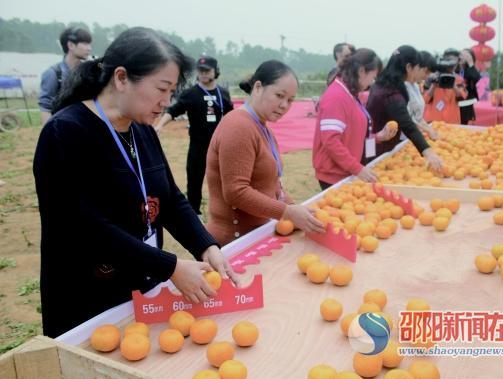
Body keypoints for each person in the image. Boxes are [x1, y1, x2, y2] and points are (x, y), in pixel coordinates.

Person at [33, 28, 238, 338]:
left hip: (140, 281)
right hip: (88, 293)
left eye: (172, 92)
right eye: (162, 89)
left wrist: (205, 245)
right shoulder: (66, 133)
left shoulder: (142, 131)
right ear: (121, 78)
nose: (167, 102)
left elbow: (170, 198)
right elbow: (84, 227)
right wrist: (169, 267)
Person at [206, 60, 325, 246]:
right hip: (233, 243)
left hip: (256, 235)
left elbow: (273, 183)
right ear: (258, 87)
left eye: (290, 100)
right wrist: (286, 212)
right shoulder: (238, 126)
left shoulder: (262, 128)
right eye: (279, 95)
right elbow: (236, 192)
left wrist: (294, 208)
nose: (284, 105)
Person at [154, 56, 233, 215]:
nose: (203, 74)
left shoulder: (223, 93)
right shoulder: (191, 93)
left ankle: (224, 213)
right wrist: (160, 125)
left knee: (223, 181)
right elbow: (173, 110)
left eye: (207, 70)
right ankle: (194, 214)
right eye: (200, 70)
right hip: (198, 146)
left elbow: (232, 117)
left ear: (215, 71)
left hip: (220, 147)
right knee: (194, 183)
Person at [313, 48, 397, 190]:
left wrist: (377, 137)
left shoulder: (351, 94)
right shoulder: (336, 97)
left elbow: (353, 133)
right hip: (334, 174)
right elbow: (331, 141)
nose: (372, 82)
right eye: (373, 76)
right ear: (362, 71)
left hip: (345, 171)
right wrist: (357, 168)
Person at [366, 46, 443, 170]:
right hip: (377, 147)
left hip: (377, 143)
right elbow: (407, 123)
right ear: (408, 67)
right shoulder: (390, 92)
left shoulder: (385, 83)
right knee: (375, 173)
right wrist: (428, 151)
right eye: (418, 68)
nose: (419, 72)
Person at [39, 27, 92, 126]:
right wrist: (49, 135)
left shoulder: (89, 72)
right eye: (85, 44)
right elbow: (45, 107)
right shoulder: (53, 73)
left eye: (89, 44)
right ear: (71, 45)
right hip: (61, 127)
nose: (89, 48)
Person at [423, 49, 468, 124]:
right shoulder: (432, 77)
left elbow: (463, 98)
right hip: (433, 121)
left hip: (452, 121)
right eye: (449, 61)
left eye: (455, 62)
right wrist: (433, 85)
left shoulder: (459, 79)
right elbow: (424, 100)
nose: (452, 65)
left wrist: (453, 84)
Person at [457, 48, 481, 125]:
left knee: (463, 126)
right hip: (454, 102)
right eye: (461, 54)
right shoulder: (454, 69)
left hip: (466, 104)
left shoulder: (470, 70)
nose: (463, 56)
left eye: (466, 55)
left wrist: (471, 63)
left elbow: (477, 79)